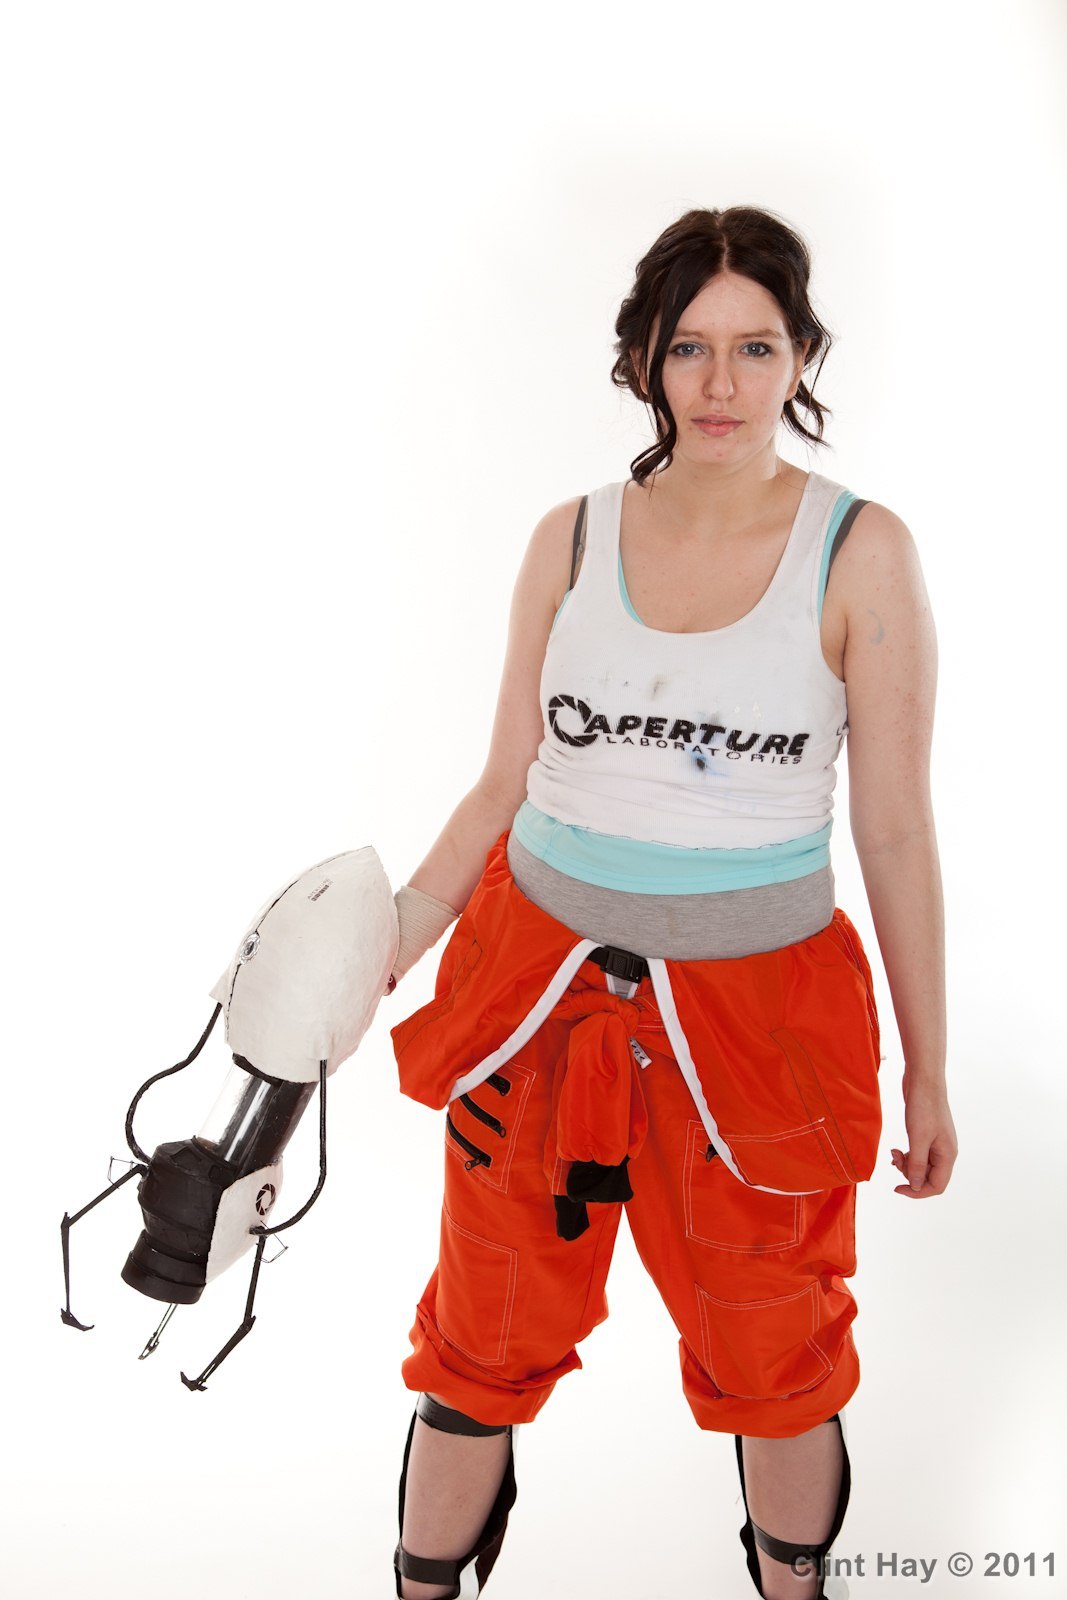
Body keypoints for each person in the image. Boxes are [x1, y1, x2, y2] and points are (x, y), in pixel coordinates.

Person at [383, 206, 957, 1600]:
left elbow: (892, 825)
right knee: (480, 1335)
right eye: (688, 346)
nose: (720, 382)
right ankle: (421, 1583)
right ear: (643, 355)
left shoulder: (860, 551)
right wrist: (380, 951)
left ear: (801, 355)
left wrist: (928, 1068)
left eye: (755, 347)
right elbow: (501, 784)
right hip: (535, 993)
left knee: (778, 1350)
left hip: (762, 1018)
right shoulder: (571, 539)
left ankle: (793, 1582)